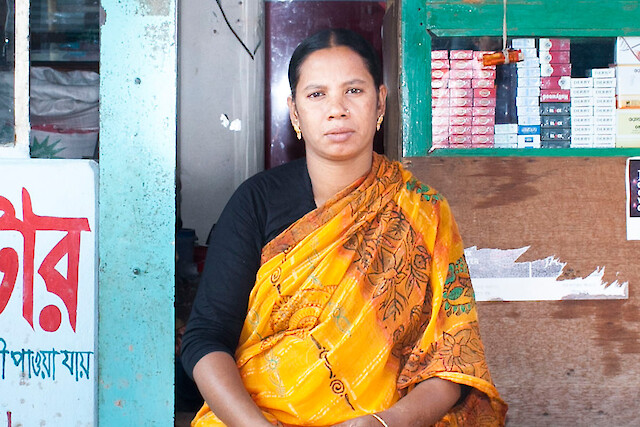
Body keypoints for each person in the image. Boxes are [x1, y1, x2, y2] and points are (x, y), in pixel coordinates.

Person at [181, 28, 507, 426]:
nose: (337, 109)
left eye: (353, 91)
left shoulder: (424, 213)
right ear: (295, 111)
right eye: (317, 94)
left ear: (381, 102)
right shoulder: (255, 203)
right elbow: (205, 339)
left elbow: (451, 362)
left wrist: (386, 423)